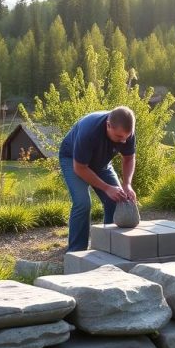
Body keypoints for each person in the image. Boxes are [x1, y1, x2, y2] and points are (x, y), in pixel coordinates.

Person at [59, 106, 137, 252]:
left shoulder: (126, 132)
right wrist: (107, 188)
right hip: (73, 160)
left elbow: (129, 158)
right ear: (108, 125)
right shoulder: (89, 131)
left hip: (101, 162)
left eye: (127, 137)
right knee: (82, 203)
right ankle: (76, 251)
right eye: (119, 137)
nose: (123, 142)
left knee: (117, 198)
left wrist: (127, 184)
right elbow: (80, 168)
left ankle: (110, 246)